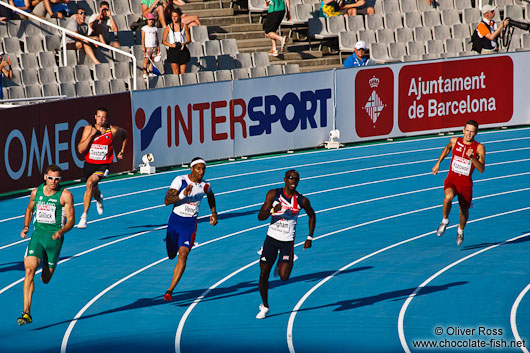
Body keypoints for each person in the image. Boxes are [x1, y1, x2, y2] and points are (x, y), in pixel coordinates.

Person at [17, 165, 75, 325]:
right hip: (38, 236)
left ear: (60, 180)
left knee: (45, 279)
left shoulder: (65, 195)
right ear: (45, 177)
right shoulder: (36, 193)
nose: (53, 182)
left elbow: (71, 220)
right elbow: (29, 210)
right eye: (50, 178)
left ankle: (47, 263)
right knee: (29, 270)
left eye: (57, 179)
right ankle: (26, 312)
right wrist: (26, 227)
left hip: (54, 240)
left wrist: (61, 231)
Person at [256, 169, 316, 319]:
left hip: (287, 242)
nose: (293, 181)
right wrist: (271, 210)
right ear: (284, 180)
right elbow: (260, 217)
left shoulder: (302, 200)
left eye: (296, 179)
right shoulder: (273, 194)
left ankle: (282, 262)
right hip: (270, 240)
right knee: (263, 274)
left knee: (283, 277)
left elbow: (312, 215)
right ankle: (265, 306)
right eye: (290, 178)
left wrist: (309, 237)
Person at [162, 157, 218, 302]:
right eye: (198, 168)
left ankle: (170, 291)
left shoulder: (205, 186)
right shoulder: (180, 180)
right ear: (191, 169)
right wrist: (182, 195)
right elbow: (167, 201)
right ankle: (170, 244)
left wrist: (213, 214)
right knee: (171, 255)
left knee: (183, 255)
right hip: (175, 222)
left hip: (190, 225)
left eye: (203, 169)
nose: (201, 172)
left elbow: (211, 196)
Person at [432, 120, 486, 246]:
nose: (468, 134)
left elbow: (482, 169)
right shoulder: (454, 140)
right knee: (448, 197)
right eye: (467, 130)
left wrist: (472, 157)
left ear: (476, 133)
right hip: (452, 179)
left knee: (464, 211)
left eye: (472, 132)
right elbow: (447, 149)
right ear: (463, 130)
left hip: (466, 184)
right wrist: (438, 163)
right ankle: (445, 221)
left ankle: (460, 230)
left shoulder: (479, 147)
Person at [77, 107, 128, 229]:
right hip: (89, 164)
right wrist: (91, 136)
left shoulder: (113, 130)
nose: (101, 119)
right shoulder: (88, 129)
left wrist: (122, 150)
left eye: (103, 117)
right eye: (99, 116)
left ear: (107, 118)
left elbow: (125, 134)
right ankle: (98, 197)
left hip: (103, 165)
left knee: (89, 184)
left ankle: (84, 217)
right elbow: (80, 149)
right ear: (95, 117)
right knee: (93, 188)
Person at [162, 8, 190, 75]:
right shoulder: (168, 27)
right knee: (176, 73)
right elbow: (164, 41)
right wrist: (171, 45)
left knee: (183, 73)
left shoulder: (184, 26)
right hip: (173, 50)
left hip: (182, 49)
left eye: (175, 16)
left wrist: (184, 43)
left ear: (179, 16)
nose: (173, 18)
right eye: (172, 16)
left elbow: (189, 39)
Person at [142, 12, 160, 78]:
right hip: (147, 46)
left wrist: (158, 48)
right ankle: (144, 72)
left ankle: (150, 72)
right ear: (147, 20)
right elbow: (143, 38)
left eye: (152, 19)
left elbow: (157, 39)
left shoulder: (155, 29)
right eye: (149, 19)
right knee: (147, 60)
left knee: (152, 60)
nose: (151, 21)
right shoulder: (144, 28)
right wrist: (143, 47)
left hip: (154, 46)